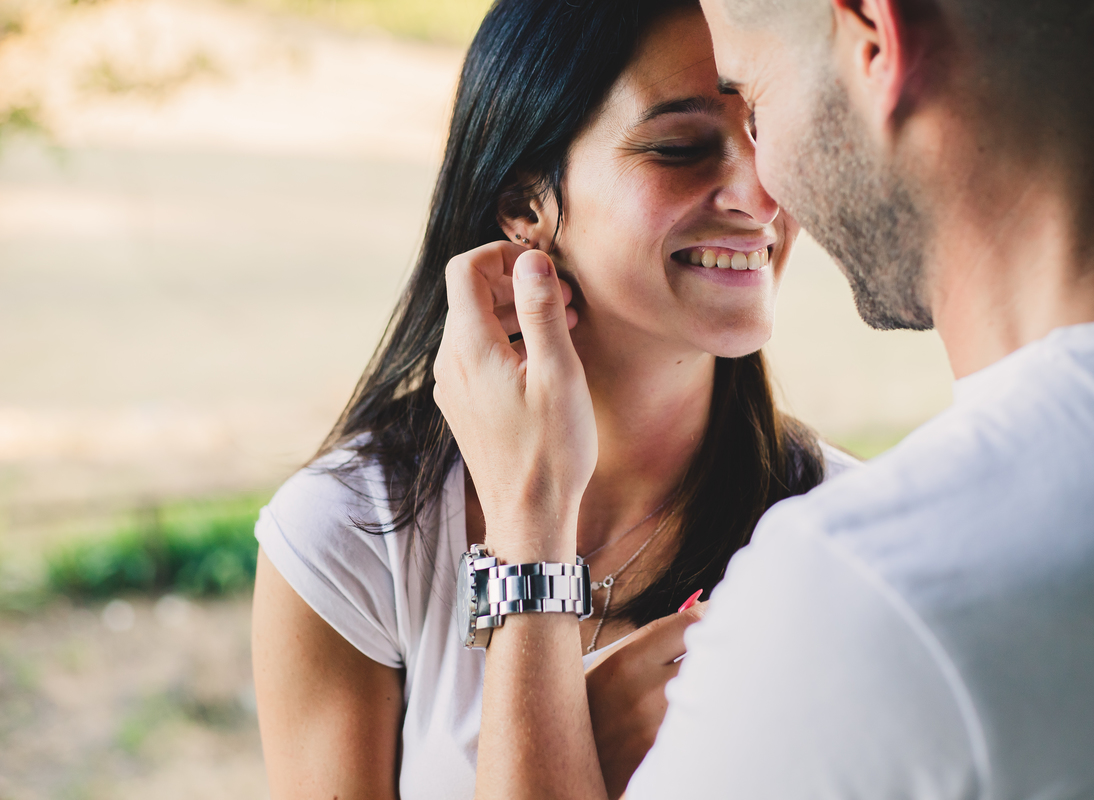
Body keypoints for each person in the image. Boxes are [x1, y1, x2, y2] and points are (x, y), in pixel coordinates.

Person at [432, 0, 1094, 797]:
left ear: (876, 37)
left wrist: (529, 546)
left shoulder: (860, 592)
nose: (763, 191)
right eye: (687, 146)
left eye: (755, 102)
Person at [249, 0, 859, 797]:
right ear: (525, 205)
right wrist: (571, 754)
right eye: (681, 147)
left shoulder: (853, 542)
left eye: (767, 133)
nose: (764, 195)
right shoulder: (353, 538)